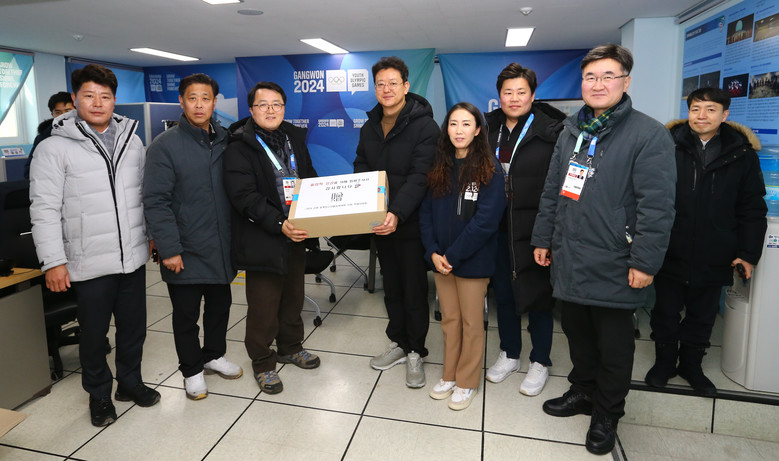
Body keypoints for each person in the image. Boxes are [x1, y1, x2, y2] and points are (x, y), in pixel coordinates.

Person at [530, 44, 676, 455]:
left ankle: (608, 412)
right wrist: (543, 237)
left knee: (614, 345)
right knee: (577, 332)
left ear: (625, 82)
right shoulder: (571, 131)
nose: (598, 84)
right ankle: (583, 390)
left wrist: (645, 261)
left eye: (608, 76)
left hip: (616, 259)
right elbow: (554, 189)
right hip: (571, 254)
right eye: (590, 77)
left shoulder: (648, 134)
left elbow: (657, 207)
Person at [30, 64, 159, 427]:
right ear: (75, 99)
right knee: (94, 336)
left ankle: (129, 383)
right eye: (89, 96)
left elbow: (144, 196)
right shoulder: (54, 148)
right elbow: (43, 209)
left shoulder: (132, 141)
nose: (98, 103)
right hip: (87, 261)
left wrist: (151, 236)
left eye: (105, 96)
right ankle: (99, 394)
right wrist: (53, 261)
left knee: (133, 329)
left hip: (131, 257)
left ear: (114, 100)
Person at [646, 87, 767, 396]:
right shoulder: (666, 146)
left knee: (703, 314)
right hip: (670, 247)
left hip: (716, 250)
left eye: (711, 109)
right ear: (688, 112)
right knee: (665, 311)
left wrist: (748, 253)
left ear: (724, 115)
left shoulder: (743, 155)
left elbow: (752, 208)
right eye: (695, 109)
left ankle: (692, 365)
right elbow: (647, 196)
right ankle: (664, 363)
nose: (702, 115)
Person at [143, 73, 243, 401]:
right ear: (181, 102)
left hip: (220, 245)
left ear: (214, 103)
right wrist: (169, 248)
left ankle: (213, 355)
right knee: (186, 315)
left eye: (206, 98)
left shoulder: (227, 140)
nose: (199, 105)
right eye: (192, 98)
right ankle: (191, 370)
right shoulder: (165, 145)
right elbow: (155, 201)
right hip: (184, 248)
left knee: (220, 307)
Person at [223, 81, 320, 394]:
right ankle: (263, 362)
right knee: (264, 304)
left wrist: (319, 207)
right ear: (251, 110)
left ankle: (291, 347)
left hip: (297, 232)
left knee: (293, 297)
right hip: (262, 236)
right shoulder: (239, 145)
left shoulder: (294, 137)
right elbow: (244, 196)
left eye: (276, 104)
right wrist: (279, 223)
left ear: (284, 108)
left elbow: (308, 176)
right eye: (263, 104)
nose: (270, 110)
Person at [354, 56, 439, 388]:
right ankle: (398, 341)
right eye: (380, 84)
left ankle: (416, 349)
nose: (386, 89)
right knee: (391, 286)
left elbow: (421, 176)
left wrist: (397, 212)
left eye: (393, 83)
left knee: (413, 287)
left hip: (412, 221)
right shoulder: (369, 126)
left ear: (406, 86)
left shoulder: (425, 126)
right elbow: (362, 166)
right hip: (380, 221)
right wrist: (370, 208)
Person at [483, 63, 566, 396]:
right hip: (498, 226)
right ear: (499, 96)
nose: (514, 98)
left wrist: (549, 234)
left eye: (521, 92)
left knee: (539, 296)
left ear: (533, 95)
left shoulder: (553, 131)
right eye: (508, 92)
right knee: (504, 293)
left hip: (535, 229)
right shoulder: (487, 128)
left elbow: (559, 187)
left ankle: (540, 359)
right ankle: (510, 353)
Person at [420, 102, 505, 410]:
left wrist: (452, 255)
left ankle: (467, 381)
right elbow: (426, 214)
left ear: (478, 130)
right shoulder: (440, 165)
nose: (459, 130)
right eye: (453, 124)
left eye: (466, 124)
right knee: (449, 320)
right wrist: (432, 252)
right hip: (441, 261)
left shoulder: (490, 169)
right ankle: (449, 375)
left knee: (471, 323)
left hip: (471, 261)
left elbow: (486, 222)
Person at [24, 91, 75, 179]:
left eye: (68, 111)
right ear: (52, 114)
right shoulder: (43, 138)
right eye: (58, 112)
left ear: (77, 111)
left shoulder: (89, 133)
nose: (64, 116)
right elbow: (30, 171)